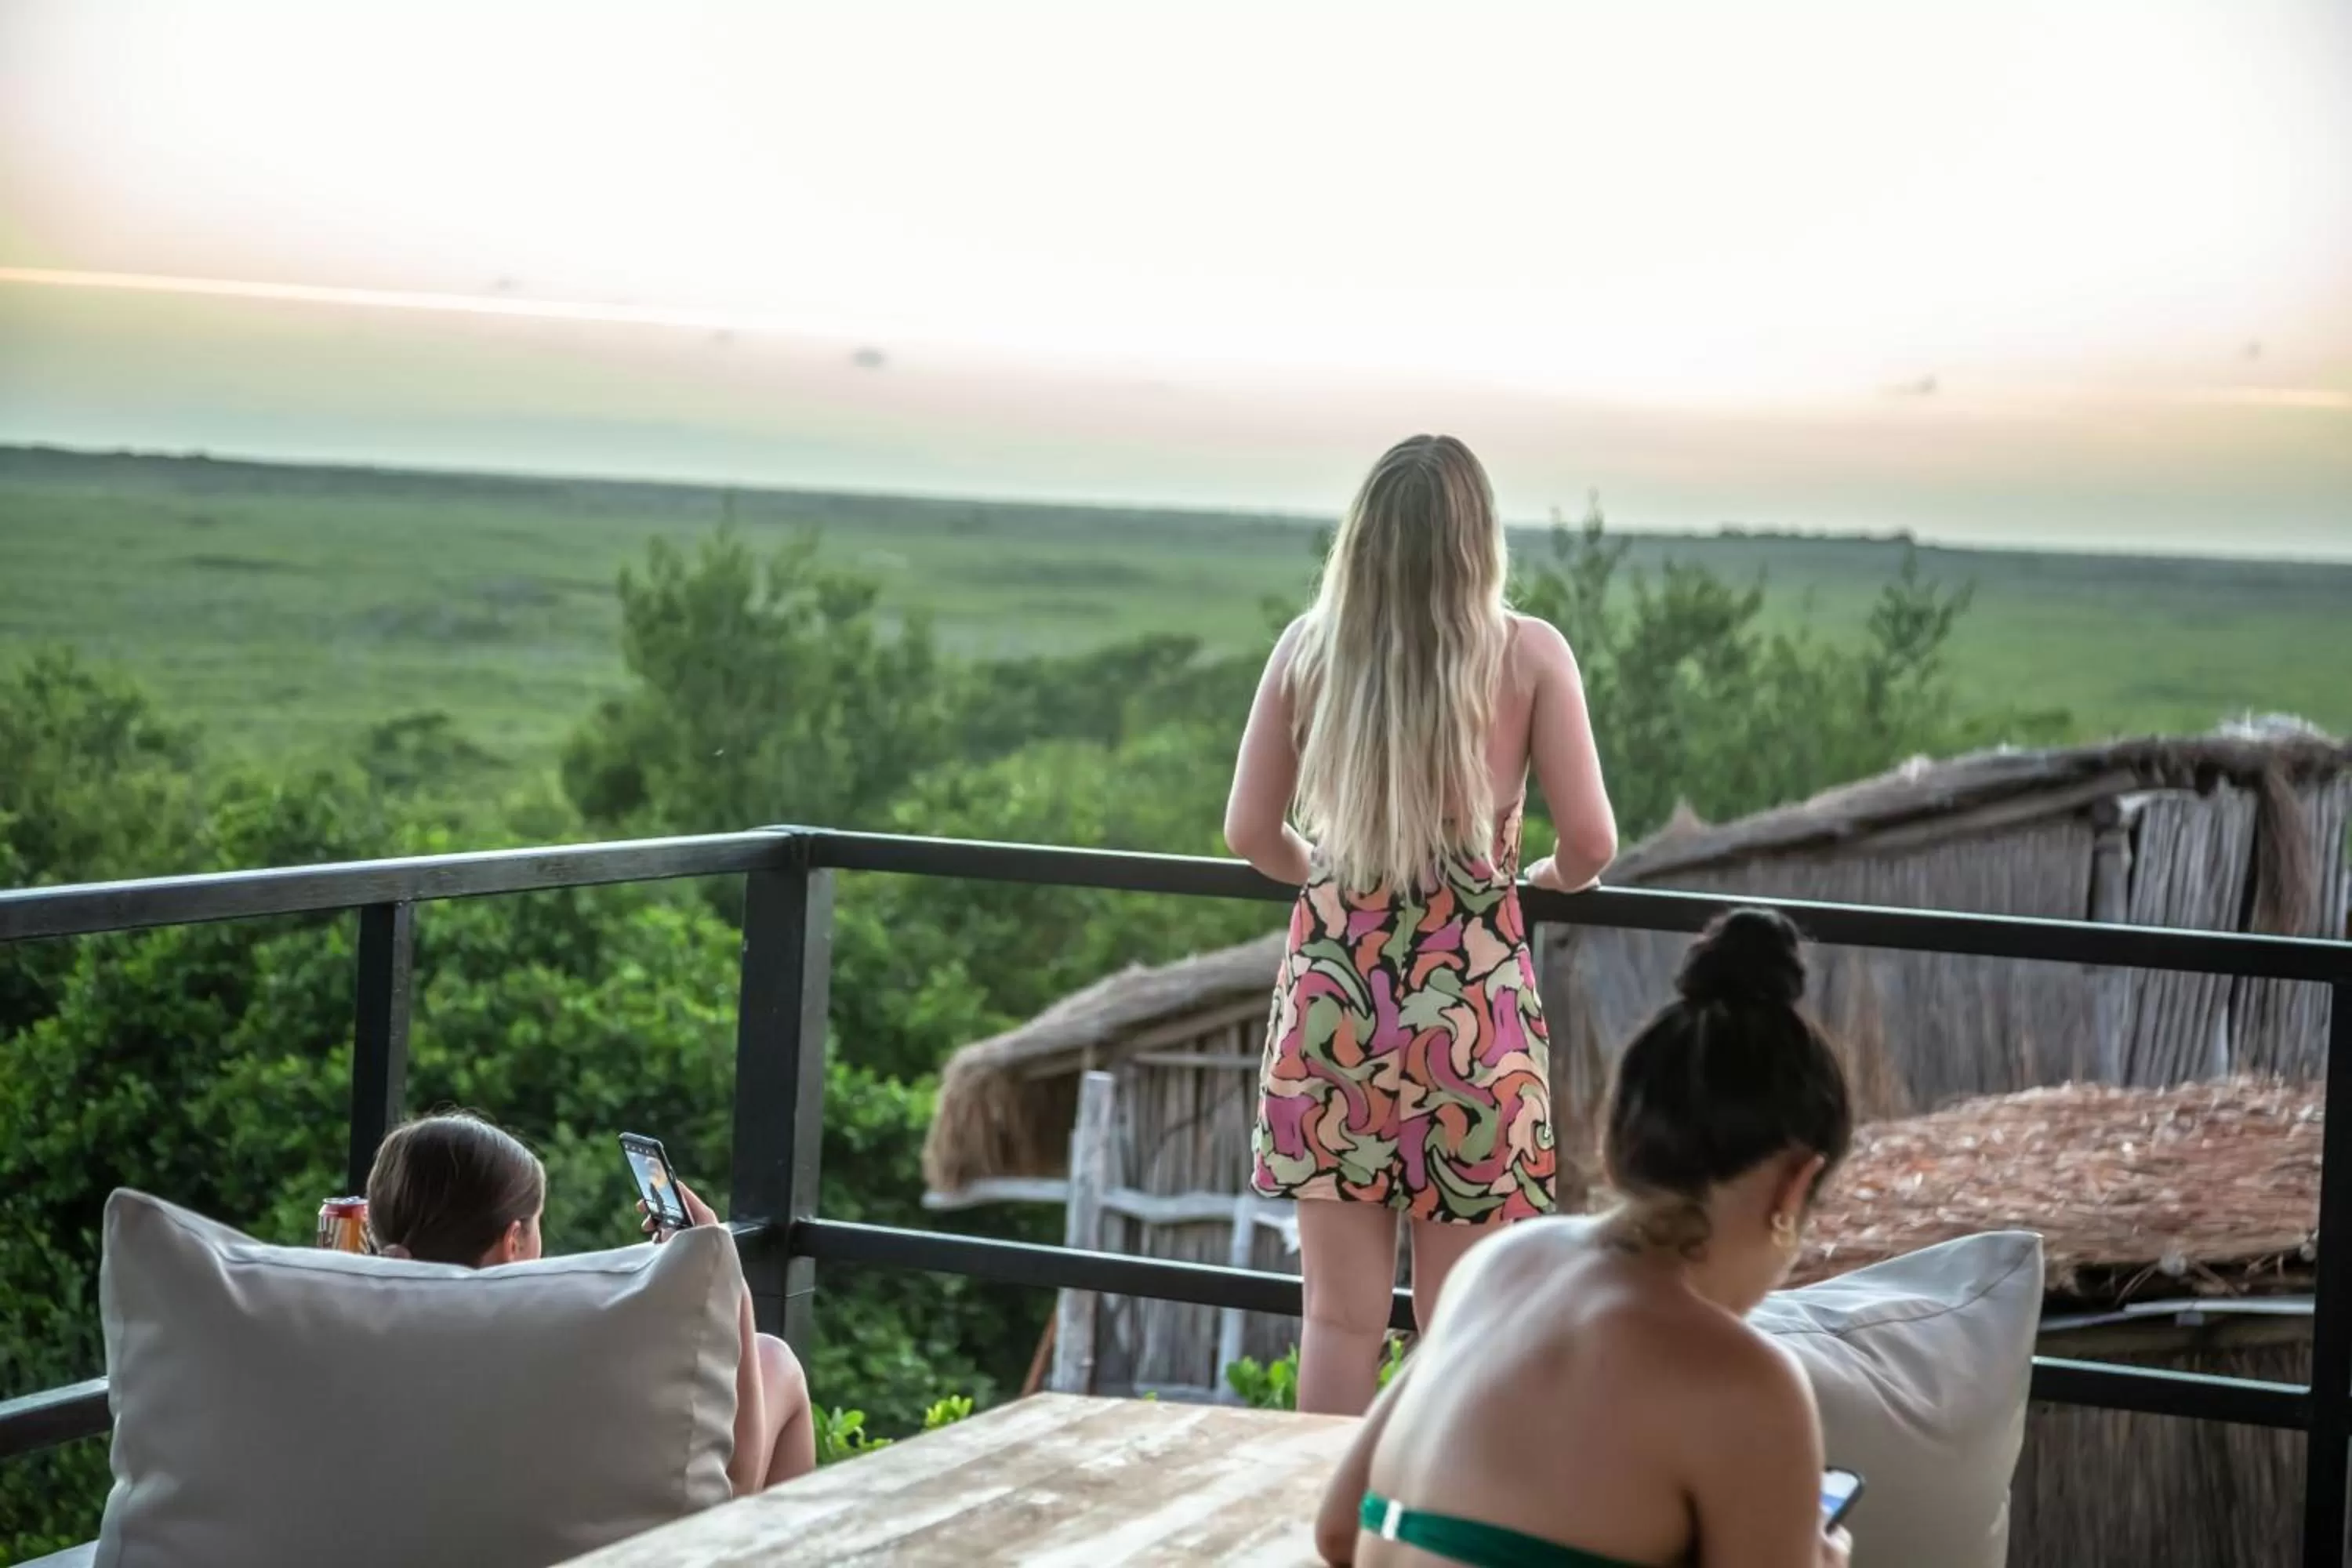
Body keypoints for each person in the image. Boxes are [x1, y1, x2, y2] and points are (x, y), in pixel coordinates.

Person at [1225, 434, 1618, 1416]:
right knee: (1457, 1327)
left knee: (1338, 1320)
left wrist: (1324, 877)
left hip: (1333, 1016)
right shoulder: (1529, 654)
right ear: (1477, 542)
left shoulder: (1306, 648)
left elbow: (1247, 830)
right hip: (1471, 1029)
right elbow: (1594, 841)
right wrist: (1542, 874)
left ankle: (1320, 1538)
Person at [1313, 908, 1856, 1568]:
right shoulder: (1749, 1383)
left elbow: (1339, 1530)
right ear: (1795, 1189)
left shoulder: (1497, 1262)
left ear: (1612, 1143)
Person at [365, 1112, 815, 1494]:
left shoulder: (347, 1337)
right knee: (776, 1359)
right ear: (513, 1242)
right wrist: (722, 1271)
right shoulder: (570, 1347)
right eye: (537, 1224)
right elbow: (733, 1486)